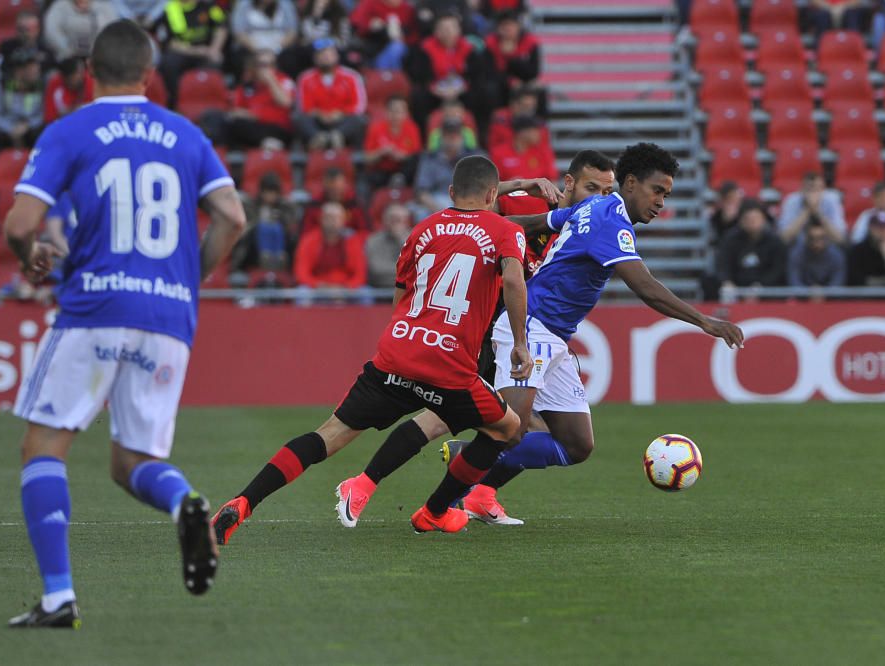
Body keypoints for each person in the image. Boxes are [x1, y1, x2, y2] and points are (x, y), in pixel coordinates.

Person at [333, 143, 744, 527]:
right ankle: (434, 498)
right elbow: (645, 286)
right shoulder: (608, 217)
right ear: (631, 183)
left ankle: (479, 486)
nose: (661, 202)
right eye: (657, 191)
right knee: (495, 428)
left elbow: (528, 222)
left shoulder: (593, 209)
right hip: (527, 329)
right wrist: (705, 321)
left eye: (667, 195)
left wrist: (493, 231)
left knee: (576, 445)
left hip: (553, 336)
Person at [2, 20, 246, 628]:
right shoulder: (186, 134)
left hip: (95, 308)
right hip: (167, 315)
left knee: (44, 444)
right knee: (131, 460)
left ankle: (58, 597)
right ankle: (184, 501)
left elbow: (17, 223)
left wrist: (28, 255)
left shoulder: (71, 129)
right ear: (149, 73)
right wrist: (187, 280)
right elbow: (232, 217)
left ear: (89, 74)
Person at [211, 154, 533, 542]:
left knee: (327, 435)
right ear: (493, 194)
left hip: (396, 355)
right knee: (508, 428)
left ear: (450, 192)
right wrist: (519, 344)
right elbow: (514, 282)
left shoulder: (422, 229)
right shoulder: (504, 230)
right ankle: (435, 511)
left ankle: (243, 502)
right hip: (450, 366)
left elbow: (401, 297)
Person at [294, 38, 367, 148]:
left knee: (358, 119)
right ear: (315, 58)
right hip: (317, 121)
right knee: (299, 118)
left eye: (329, 53)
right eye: (321, 54)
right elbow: (303, 106)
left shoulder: (352, 76)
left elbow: (359, 105)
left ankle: (337, 136)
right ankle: (318, 138)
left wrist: (340, 113)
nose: (326, 57)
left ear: (337, 56)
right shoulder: (305, 78)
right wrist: (320, 114)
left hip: (342, 120)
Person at [155, 0, 228, 105]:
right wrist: (197, 51)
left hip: (207, 51)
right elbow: (169, 42)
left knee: (215, 61)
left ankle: (210, 103)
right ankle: (176, 101)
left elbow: (222, 27)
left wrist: (215, 49)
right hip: (183, 52)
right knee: (168, 63)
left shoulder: (208, 5)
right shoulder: (169, 8)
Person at [292, 200, 368, 302]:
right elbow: (301, 272)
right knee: (302, 293)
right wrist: (319, 286)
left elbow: (360, 274)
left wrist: (346, 288)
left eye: (336, 217)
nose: (332, 221)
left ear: (344, 220)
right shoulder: (308, 240)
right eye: (328, 217)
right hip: (317, 287)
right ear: (321, 219)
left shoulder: (353, 241)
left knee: (366, 293)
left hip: (346, 288)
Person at [410, 118, 479, 219]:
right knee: (419, 212)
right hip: (436, 202)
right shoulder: (430, 158)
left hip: (467, 202)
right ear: (441, 137)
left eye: (456, 135)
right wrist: (441, 211)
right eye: (448, 135)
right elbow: (422, 192)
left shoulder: (474, 156)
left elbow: (482, 189)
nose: (452, 138)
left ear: (462, 137)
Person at [226, 49, 296, 147]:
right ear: (255, 67)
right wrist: (252, 115)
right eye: (262, 65)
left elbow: (286, 103)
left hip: (279, 128)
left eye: (271, 65)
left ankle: (266, 143)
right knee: (231, 124)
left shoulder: (284, 80)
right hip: (254, 126)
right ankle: (265, 142)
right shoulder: (247, 85)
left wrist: (272, 81)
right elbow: (236, 111)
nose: (267, 69)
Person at [716, 201, 788, 294]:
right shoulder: (730, 240)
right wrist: (727, 281)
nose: (752, 222)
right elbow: (723, 264)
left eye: (755, 218)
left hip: (767, 289)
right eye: (747, 219)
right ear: (740, 220)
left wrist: (761, 285)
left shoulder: (775, 242)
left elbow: (777, 269)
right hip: (736, 287)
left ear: (763, 219)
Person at [0, 47, 44, 152]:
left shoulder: (40, 85)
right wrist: (11, 128)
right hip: (7, 128)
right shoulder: (1, 85)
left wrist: (26, 125)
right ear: (20, 70)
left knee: (41, 133)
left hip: (29, 128)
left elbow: (42, 114)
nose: (37, 70)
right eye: (31, 67)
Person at [362, 94, 422, 188]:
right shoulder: (375, 128)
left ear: (406, 113)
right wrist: (382, 152)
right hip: (382, 170)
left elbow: (416, 156)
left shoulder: (412, 128)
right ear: (386, 112)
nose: (395, 115)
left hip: (404, 170)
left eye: (399, 111)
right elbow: (367, 158)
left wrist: (402, 156)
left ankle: (400, 178)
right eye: (392, 111)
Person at [776, 172, 847, 246]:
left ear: (823, 189)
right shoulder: (791, 201)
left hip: (826, 245)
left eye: (817, 189)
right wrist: (807, 210)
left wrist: (817, 212)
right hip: (798, 245)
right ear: (801, 190)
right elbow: (784, 238)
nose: (813, 194)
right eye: (809, 189)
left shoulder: (832, 200)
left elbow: (840, 238)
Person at [847, 211, 885, 285]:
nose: (882, 231)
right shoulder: (858, 251)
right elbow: (856, 281)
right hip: (865, 296)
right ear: (870, 228)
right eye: (878, 226)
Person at [44, 0, 119, 61]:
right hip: (68, 58)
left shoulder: (105, 7)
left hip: (99, 57)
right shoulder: (60, 6)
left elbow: (113, 31)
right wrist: (67, 49)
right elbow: (51, 32)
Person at [490, 114, 556, 181]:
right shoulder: (498, 153)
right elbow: (492, 184)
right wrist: (511, 185)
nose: (539, 134)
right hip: (509, 191)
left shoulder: (543, 152)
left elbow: (552, 180)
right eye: (535, 130)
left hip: (538, 191)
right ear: (522, 133)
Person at [787, 219, 847, 292]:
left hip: (830, 300)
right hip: (802, 299)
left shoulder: (836, 255)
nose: (817, 244)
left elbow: (838, 283)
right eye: (812, 239)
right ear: (806, 239)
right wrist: (808, 292)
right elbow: (794, 282)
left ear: (827, 238)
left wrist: (824, 292)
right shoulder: (797, 254)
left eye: (821, 238)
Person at [364, 201, 412, 288]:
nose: (395, 223)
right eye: (392, 219)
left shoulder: (416, 239)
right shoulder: (373, 240)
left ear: (406, 221)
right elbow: (376, 270)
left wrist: (401, 241)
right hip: (378, 287)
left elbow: (416, 270)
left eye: (399, 219)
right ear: (384, 220)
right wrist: (403, 272)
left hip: (407, 289)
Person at [43, 57, 94, 124]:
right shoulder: (55, 84)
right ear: (65, 78)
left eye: (82, 72)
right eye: (78, 74)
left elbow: (95, 110)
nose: (82, 76)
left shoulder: (89, 81)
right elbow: (49, 117)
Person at [708, 180, 743, 245]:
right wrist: (726, 219)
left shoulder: (744, 212)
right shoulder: (716, 215)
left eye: (735, 197)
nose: (734, 201)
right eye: (729, 198)